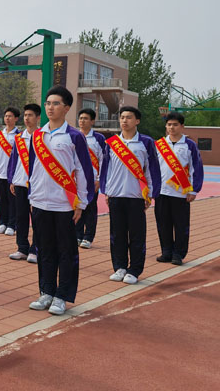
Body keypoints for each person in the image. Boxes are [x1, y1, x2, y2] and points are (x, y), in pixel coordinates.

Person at [27, 86, 93, 316]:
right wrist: (32, 196)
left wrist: (81, 203)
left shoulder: (74, 136)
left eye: (55, 103)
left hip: (65, 205)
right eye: (47, 103)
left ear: (66, 108)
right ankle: (45, 291)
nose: (50, 107)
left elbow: (84, 171)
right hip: (40, 203)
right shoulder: (38, 135)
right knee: (43, 249)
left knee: (66, 251)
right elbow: (33, 169)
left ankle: (62, 295)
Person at [100, 106, 161, 285]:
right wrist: (107, 191)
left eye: (129, 117)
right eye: (122, 117)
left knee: (136, 235)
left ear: (137, 121)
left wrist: (149, 194)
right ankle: (119, 267)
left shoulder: (146, 142)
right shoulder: (111, 143)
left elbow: (152, 170)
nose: (124, 120)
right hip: (116, 196)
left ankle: (134, 269)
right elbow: (106, 170)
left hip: (136, 197)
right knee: (117, 234)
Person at [154, 112, 203, 265]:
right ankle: (166, 251)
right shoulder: (159, 144)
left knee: (181, 225)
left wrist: (194, 190)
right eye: (169, 124)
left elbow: (197, 168)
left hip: (181, 193)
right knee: (163, 223)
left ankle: (178, 253)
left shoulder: (190, 145)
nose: (172, 127)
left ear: (182, 126)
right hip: (161, 192)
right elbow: (153, 168)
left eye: (175, 124)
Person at [7, 103, 41, 263]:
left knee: (37, 219)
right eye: (25, 115)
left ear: (38, 118)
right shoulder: (19, 138)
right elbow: (13, 160)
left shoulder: (43, 136)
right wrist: (11, 180)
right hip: (20, 183)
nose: (27, 118)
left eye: (31, 115)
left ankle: (35, 249)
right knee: (20, 218)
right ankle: (22, 248)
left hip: (37, 185)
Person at [75, 108, 106, 249]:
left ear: (92, 121)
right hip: (76, 180)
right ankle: (78, 234)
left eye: (85, 118)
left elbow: (102, 160)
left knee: (90, 209)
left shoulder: (98, 138)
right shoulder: (74, 135)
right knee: (77, 206)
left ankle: (88, 237)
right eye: (80, 118)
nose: (82, 121)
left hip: (92, 180)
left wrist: (100, 179)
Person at [0, 107, 21, 236]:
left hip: (12, 174)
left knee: (12, 201)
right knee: (1, 199)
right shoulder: (0, 136)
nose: (7, 118)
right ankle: (2, 223)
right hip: (0, 173)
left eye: (10, 116)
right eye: (6, 116)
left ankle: (11, 225)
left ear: (16, 119)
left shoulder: (19, 136)